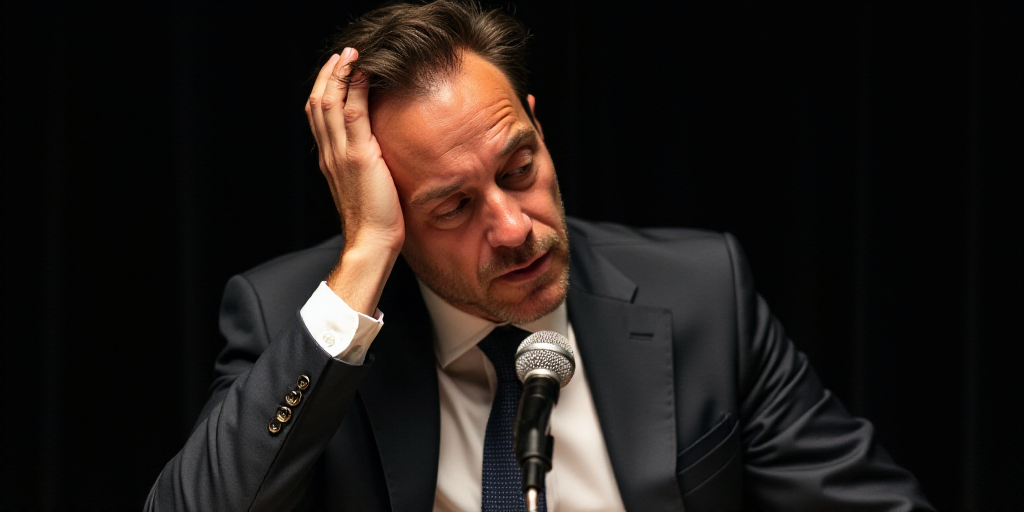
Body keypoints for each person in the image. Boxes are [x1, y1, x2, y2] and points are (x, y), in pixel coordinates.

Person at [145, 1, 935, 510]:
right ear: (383, 208)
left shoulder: (701, 294)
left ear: (536, 126)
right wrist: (364, 261)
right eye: (452, 206)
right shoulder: (302, 321)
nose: (515, 227)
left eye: (519, 169)